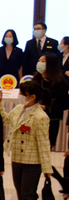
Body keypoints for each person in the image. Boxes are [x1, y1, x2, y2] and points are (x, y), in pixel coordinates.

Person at [0, 81, 52, 200]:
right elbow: (6, 120)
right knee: (21, 195)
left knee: (28, 196)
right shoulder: (19, 109)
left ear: (32, 97)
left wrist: (47, 168)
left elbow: (44, 143)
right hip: (17, 159)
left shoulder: (40, 117)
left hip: (32, 162)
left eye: (22, 94)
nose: (19, 96)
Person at [33, 52, 69, 189]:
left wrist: (48, 107)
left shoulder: (59, 82)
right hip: (34, 121)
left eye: (43, 61)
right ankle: (63, 182)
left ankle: (61, 181)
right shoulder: (36, 79)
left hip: (51, 122)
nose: (40, 63)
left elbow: (65, 103)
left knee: (43, 155)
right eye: (39, 60)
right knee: (37, 156)